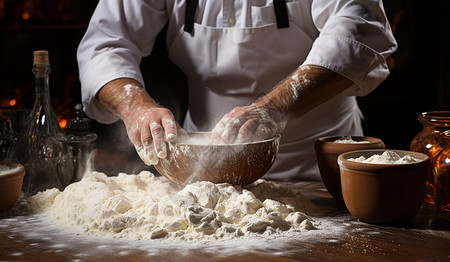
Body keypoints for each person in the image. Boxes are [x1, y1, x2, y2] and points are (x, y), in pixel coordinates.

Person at [77, 0, 397, 181]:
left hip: (318, 164)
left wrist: (275, 107)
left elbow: (361, 27)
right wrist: (136, 107)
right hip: (202, 166)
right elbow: (105, 42)